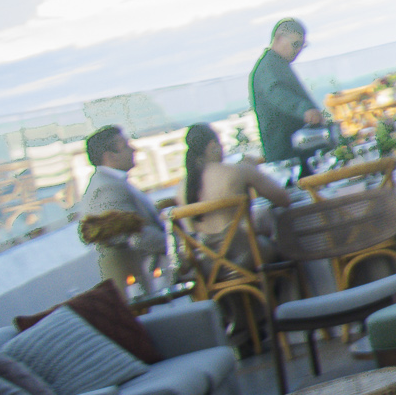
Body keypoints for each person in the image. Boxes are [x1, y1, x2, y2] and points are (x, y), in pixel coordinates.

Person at [180, 124, 296, 263]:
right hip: (246, 258)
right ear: (213, 145)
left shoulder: (182, 188)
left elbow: (191, 232)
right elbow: (284, 199)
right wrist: (253, 169)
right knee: (285, 241)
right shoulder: (239, 170)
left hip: (208, 266)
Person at [75, 126, 163, 291]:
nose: (134, 149)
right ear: (110, 156)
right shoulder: (107, 188)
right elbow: (136, 235)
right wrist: (176, 244)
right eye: (126, 146)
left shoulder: (112, 183)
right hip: (138, 280)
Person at [248, 19, 326, 166]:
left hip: (296, 152)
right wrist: (305, 109)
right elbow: (277, 93)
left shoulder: (277, 64)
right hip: (287, 157)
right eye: (295, 44)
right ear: (278, 38)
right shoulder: (268, 67)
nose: (298, 50)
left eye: (302, 45)